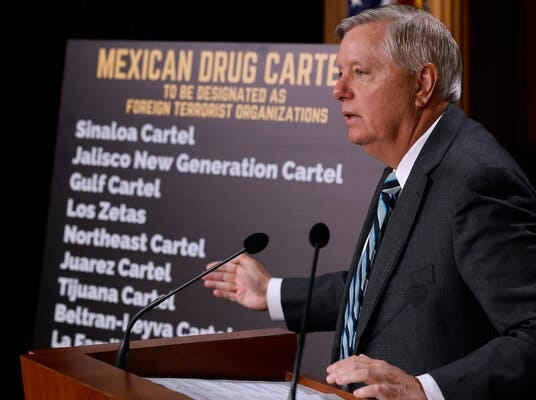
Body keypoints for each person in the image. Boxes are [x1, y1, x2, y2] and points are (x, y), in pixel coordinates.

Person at [202, 4, 536, 400]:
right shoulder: (407, 162)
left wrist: (424, 391)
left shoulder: (475, 178)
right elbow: (382, 285)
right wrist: (270, 292)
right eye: (339, 73)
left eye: (360, 72)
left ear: (422, 83)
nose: (338, 89)